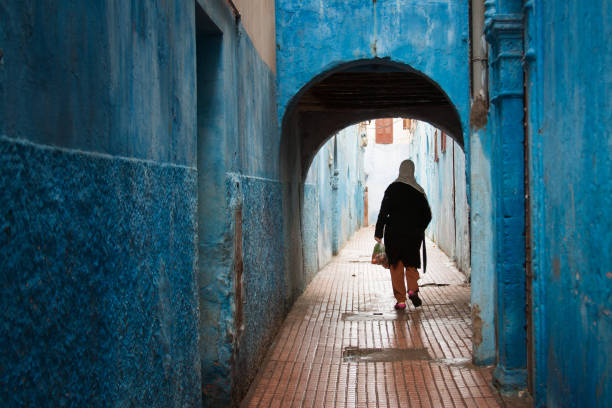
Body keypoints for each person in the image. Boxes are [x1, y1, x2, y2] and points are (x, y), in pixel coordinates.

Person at [375, 159, 431, 310]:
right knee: (411, 263)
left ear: (400, 170)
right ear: (412, 171)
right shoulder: (419, 191)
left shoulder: (392, 189)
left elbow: (383, 212)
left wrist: (378, 232)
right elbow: (427, 215)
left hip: (394, 234)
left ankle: (401, 300)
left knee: (396, 265)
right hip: (413, 236)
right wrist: (419, 228)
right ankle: (412, 289)